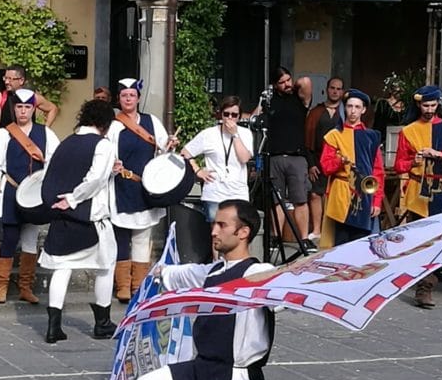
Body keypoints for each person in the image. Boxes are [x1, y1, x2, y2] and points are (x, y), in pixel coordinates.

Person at [132, 199, 344, 380]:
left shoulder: (258, 274)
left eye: (222, 225)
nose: (213, 231)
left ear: (243, 232)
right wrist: (159, 272)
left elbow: (285, 291)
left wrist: (308, 273)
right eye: (214, 224)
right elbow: (179, 274)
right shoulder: (210, 272)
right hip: (203, 370)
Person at [38, 98, 120, 343]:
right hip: (91, 217)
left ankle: (54, 327)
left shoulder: (66, 142)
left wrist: (60, 202)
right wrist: (73, 199)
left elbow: (53, 175)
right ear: (105, 124)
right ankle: (102, 322)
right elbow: (94, 180)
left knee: (62, 267)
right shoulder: (103, 145)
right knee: (106, 265)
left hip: (62, 216)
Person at [394, 85, 442, 308]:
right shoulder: (408, 131)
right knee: (421, 241)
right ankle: (424, 286)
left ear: (438, 105)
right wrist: (413, 162)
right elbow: (399, 165)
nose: (429, 109)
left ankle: (427, 280)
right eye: (425, 105)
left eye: (433, 105)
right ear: (418, 105)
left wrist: (440, 154)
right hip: (419, 194)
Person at [0, 88, 59, 304]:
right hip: (12, 189)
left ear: (34, 109)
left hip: (35, 194)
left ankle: (26, 287)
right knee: (8, 238)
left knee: (30, 240)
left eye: (27, 107)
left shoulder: (46, 134)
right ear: (14, 108)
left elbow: (57, 159)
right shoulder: (4, 133)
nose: (23, 111)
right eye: (19, 107)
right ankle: (1, 286)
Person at [109, 77, 177, 302]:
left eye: (132, 95)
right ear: (119, 98)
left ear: (138, 98)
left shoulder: (151, 121)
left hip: (144, 187)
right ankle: (122, 286)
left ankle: (138, 285)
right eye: (124, 95)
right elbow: (105, 152)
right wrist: (112, 165)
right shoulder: (114, 125)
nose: (128, 99)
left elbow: (162, 147)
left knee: (141, 237)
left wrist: (170, 145)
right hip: (121, 186)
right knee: (121, 238)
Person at [250, 66, 315, 248]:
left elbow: (306, 82)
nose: (286, 84)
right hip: (275, 156)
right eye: (282, 82)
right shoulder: (271, 101)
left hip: (296, 156)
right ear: (274, 84)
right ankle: (275, 238)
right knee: (277, 201)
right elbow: (254, 118)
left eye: (288, 80)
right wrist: (264, 98)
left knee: (300, 199)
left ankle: (304, 239)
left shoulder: (299, 98)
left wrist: (291, 85)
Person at [318, 89, 384, 247]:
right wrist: (340, 161)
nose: (353, 111)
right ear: (344, 108)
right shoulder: (334, 135)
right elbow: (326, 167)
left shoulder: (372, 136)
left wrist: (377, 201)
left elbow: (378, 171)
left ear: (363, 110)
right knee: (341, 239)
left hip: (365, 193)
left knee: (362, 240)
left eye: (357, 107)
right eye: (349, 106)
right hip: (341, 192)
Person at [180, 95, 254, 223]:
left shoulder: (245, 133)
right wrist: (198, 171)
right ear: (221, 114)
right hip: (215, 192)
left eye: (234, 115)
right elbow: (185, 153)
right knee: (216, 232)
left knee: (237, 231)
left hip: (238, 192)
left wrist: (235, 135)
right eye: (226, 114)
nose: (229, 118)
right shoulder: (208, 134)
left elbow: (244, 158)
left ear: (239, 117)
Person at [304, 76, 345, 241]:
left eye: (338, 89)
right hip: (318, 159)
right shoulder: (316, 112)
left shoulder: (346, 111)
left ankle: (334, 229)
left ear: (342, 92)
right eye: (332, 88)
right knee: (315, 194)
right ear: (326, 90)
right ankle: (316, 230)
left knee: (335, 194)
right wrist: (311, 164)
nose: (335, 91)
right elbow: (307, 139)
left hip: (340, 160)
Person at [0, 65, 58, 138]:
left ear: (21, 80)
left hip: (28, 143)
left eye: (10, 79)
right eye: (5, 78)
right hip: (7, 142)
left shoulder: (32, 97)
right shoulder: (0, 97)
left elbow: (53, 109)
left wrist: (44, 130)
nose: (6, 82)